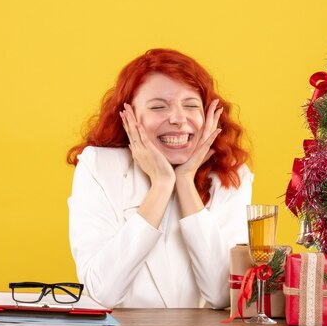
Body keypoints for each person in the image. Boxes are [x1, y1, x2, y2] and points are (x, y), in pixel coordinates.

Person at [67, 48, 252, 309]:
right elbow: (102, 294)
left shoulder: (231, 176)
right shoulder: (98, 167)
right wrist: (162, 185)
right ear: (128, 116)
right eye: (158, 107)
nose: (178, 119)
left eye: (190, 105)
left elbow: (223, 294)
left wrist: (185, 181)